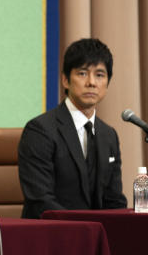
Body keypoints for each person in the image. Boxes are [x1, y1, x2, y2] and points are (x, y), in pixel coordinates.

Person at [18, 38, 127, 219]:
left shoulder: (109, 135)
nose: (91, 82)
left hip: (95, 237)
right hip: (50, 236)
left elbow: (114, 201)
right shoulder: (40, 130)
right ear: (66, 80)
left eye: (100, 75)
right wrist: (86, 230)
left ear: (107, 83)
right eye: (83, 74)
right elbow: (40, 201)